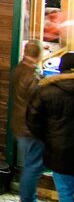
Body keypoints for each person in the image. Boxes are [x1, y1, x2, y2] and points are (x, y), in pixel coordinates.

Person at [26, 52, 74, 201]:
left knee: (65, 192)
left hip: (60, 151)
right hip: (60, 150)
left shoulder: (46, 91)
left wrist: (49, 139)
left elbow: (33, 122)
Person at [12, 40, 44, 202]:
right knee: (33, 166)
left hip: (20, 124)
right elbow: (37, 101)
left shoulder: (18, 68)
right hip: (30, 127)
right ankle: (28, 199)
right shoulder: (31, 75)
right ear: (39, 55)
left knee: (29, 165)